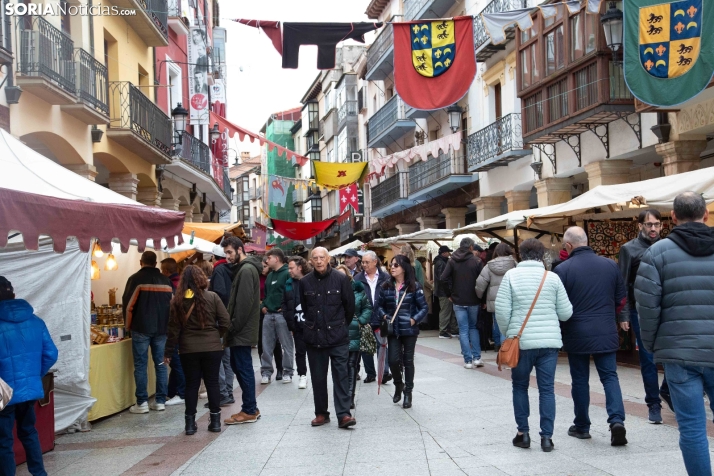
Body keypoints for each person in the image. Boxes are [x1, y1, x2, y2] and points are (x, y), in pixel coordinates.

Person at [635, 192, 714, 475]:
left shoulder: (656, 253)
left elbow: (646, 306)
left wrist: (652, 345)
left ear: (672, 218)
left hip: (679, 353)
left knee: (692, 427)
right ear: (705, 214)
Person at [494, 239, 572, 452]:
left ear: (520, 255)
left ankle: (523, 434)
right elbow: (566, 313)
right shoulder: (552, 278)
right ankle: (547, 438)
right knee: (547, 389)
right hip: (549, 342)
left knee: (519, 386)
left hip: (521, 343)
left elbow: (501, 311)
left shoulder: (511, 276)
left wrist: (510, 333)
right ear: (542, 255)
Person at [553, 226, 628, 446]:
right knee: (610, 377)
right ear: (586, 241)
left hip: (576, 331)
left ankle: (582, 426)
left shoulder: (563, 270)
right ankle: (616, 421)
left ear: (568, 245)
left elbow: (559, 305)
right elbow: (621, 299)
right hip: (605, 329)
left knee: (580, 380)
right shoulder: (610, 265)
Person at [0, 277, 58, 476]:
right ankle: (39, 473)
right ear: (14, 295)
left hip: (3, 392)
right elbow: (51, 353)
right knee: (29, 432)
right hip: (30, 389)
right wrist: (34, 375)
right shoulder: (36, 321)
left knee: (3, 440)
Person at [164, 266, 230, 435]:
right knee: (212, 382)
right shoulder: (213, 297)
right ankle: (215, 421)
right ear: (201, 278)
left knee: (191, 385)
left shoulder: (177, 302)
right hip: (212, 347)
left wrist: (168, 352)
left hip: (188, 349)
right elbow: (225, 322)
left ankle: (190, 424)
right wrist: (215, 335)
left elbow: (173, 330)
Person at [618, 209, 669, 421]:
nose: (654, 229)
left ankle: (666, 390)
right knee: (648, 358)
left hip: (666, 310)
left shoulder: (668, 247)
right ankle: (653, 404)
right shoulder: (628, 249)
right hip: (639, 311)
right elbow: (622, 283)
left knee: (673, 355)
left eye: (657, 224)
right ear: (640, 226)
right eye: (649, 225)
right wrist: (623, 315)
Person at [299, 247, 356, 428]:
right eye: (314, 258)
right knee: (318, 377)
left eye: (322, 257)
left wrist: (340, 326)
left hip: (338, 336)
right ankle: (321, 413)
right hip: (314, 337)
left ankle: (344, 414)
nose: (318, 261)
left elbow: (350, 307)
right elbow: (304, 306)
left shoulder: (341, 279)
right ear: (310, 260)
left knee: (341, 376)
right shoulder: (305, 282)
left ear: (328, 258)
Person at [122, 251, 173, 413]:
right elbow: (172, 306)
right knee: (161, 365)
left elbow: (129, 305)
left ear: (140, 262)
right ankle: (160, 401)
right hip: (162, 329)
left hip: (141, 328)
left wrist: (127, 326)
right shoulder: (166, 281)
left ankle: (142, 402)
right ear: (156, 263)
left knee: (140, 365)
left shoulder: (135, 279)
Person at [376, 255, 428, 409]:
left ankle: (408, 393)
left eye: (396, 265)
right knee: (392, 360)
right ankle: (399, 384)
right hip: (393, 330)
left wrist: (414, 319)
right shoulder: (386, 286)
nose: (392, 267)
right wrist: (384, 315)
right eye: (391, 265)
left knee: (408, 361)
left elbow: (424, 307)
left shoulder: (414, 286)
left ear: (404, 268)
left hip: (409, 330)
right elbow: (378, 306)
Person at [221, 237, 263, 425]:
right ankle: (250, 407)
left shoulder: (246, 270)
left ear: (240, 249)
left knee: (243, 368)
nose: (228, 257)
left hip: (241, 331)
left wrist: (231, 327)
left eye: (230, 252)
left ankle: (249, 410)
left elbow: (244, 305)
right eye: (226, 253)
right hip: (242, 330)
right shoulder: (244, 269)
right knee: (240, 367)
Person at [440, 237, 485, 368]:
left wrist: (449, 294)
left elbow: (443, 278)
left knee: (463, 330)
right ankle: (477, 358)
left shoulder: (452, 260)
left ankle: (468, 361)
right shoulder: (476, 261)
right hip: (474, 300)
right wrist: (481, 298)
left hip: (458, 300)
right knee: (473, 327)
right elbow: (482, 281)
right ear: (471, 247)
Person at [335, 265, 372, 410]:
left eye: (343, 276)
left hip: (354, 332)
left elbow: (367, 307)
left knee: (351, 365)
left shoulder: (357, 290)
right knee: (341, 367)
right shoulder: (331, 291)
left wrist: (360, 321)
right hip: (337, 334)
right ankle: (343, 395)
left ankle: (349, 397)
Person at [354, 250, 392, 384]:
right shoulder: (358, 278)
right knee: (366, 347)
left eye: (366, 262)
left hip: (381, 317)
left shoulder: (386, 277)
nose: (364, 264)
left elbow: (390, 297)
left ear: (375, 262)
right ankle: (370, 373)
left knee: (382, 345)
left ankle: (384, 372)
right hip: (365, 318)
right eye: (362, 262)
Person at [207, 245, 236, 407]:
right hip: (228, 317)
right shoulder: (231, 269)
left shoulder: (218, 271)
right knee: (226, 357)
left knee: (218, 356)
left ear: (213, 257)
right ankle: (228, 392)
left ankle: (223, 393)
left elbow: (219, 293)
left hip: (219, 318)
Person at [260, 249, 295, 384]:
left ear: (276, 258)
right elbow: (266, 294)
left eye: (269, 258)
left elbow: (290, 293)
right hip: (268, 314)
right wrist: (262, 306)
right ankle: (266, 372)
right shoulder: (270, 275)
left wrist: (285, 308)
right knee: (266, 345)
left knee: (287, 345)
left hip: (282, 315)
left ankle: (288, 372)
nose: (267, 261)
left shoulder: (287, 273)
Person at [476, 243, 518, 351]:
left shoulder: (489, 265)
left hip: (495, 299)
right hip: (511, 298)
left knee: (496, 322)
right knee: (509, 323)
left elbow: (480, 283)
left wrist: (479, 297)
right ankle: (506, 347)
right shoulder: (514, 263)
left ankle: (497, 344)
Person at [283, 256, 311, 390]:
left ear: (300, 267)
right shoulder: (289, 283)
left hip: (312, 324)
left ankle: (317, 376)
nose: (289, 271)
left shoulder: (311, 280)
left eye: (291, 268)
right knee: (300, 352)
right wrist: (290, 321)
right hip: (297, 324)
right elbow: (285, 302)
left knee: (314, 352)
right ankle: (302, 375)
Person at [161, 258, 186, 407]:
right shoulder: (181, 284)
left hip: (175, 328)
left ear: (165, 271)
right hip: (183, 328)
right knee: (177, 362)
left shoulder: (169, 285)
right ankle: (172, 392)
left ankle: (181, 393)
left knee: (176, 362)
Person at [258, 257, 283, 380]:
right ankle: (265, 371)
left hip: (272, 310)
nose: (263, 268)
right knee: (262, 342)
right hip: (261, 310)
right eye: (262, 266)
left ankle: (280, 368)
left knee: (276, 342)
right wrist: (262, 306)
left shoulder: (274, 276)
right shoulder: (257, 277)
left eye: (265, 266)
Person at [433, 245, 458, 339]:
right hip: (444, 292)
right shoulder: (441, 263)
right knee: (445, 311)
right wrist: (448, 292)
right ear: (443, 253)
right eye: (448, 252)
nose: (449, 254)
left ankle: (454, 330)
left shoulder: (441, 262)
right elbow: (443, 279)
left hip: (444, 291)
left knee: (450, 311)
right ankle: (443, 331)